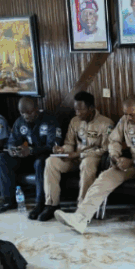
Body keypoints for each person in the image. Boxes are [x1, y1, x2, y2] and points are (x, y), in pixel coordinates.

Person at [56, 96, 135, 237]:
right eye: (125, 113)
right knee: (105, 177)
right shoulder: (124, 120)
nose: (128, 117)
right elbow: (113, 140)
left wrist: (133, 162)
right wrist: (115, 156)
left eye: (131, 114)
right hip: (129, 162)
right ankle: (81, 217)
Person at [38, 91, 114, 221]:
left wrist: (79, 154)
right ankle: (51, 205)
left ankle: (83, 208)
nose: (77, 113)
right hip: (73, 159)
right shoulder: (75, 121)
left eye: (81, 110)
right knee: (51, 161)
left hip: (93, 159)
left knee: (87, 163)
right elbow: (69, 143)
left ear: (91, 108)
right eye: (76, 109)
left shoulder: (106, 123)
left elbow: (105, 149)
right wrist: (62, 150)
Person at [0, 96, 62, 216]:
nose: (26, 116)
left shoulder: (50, 120)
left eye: (29, 112)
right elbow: (11, 141)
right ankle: (8, 200)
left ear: (37, 108)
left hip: (45, 157)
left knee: (40, 162)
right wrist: (12, 149)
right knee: (2, 158)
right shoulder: (20, 121)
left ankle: (40, 203)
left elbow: (53, 146)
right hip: (26, 158)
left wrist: (31, 150)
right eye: (22, 113)